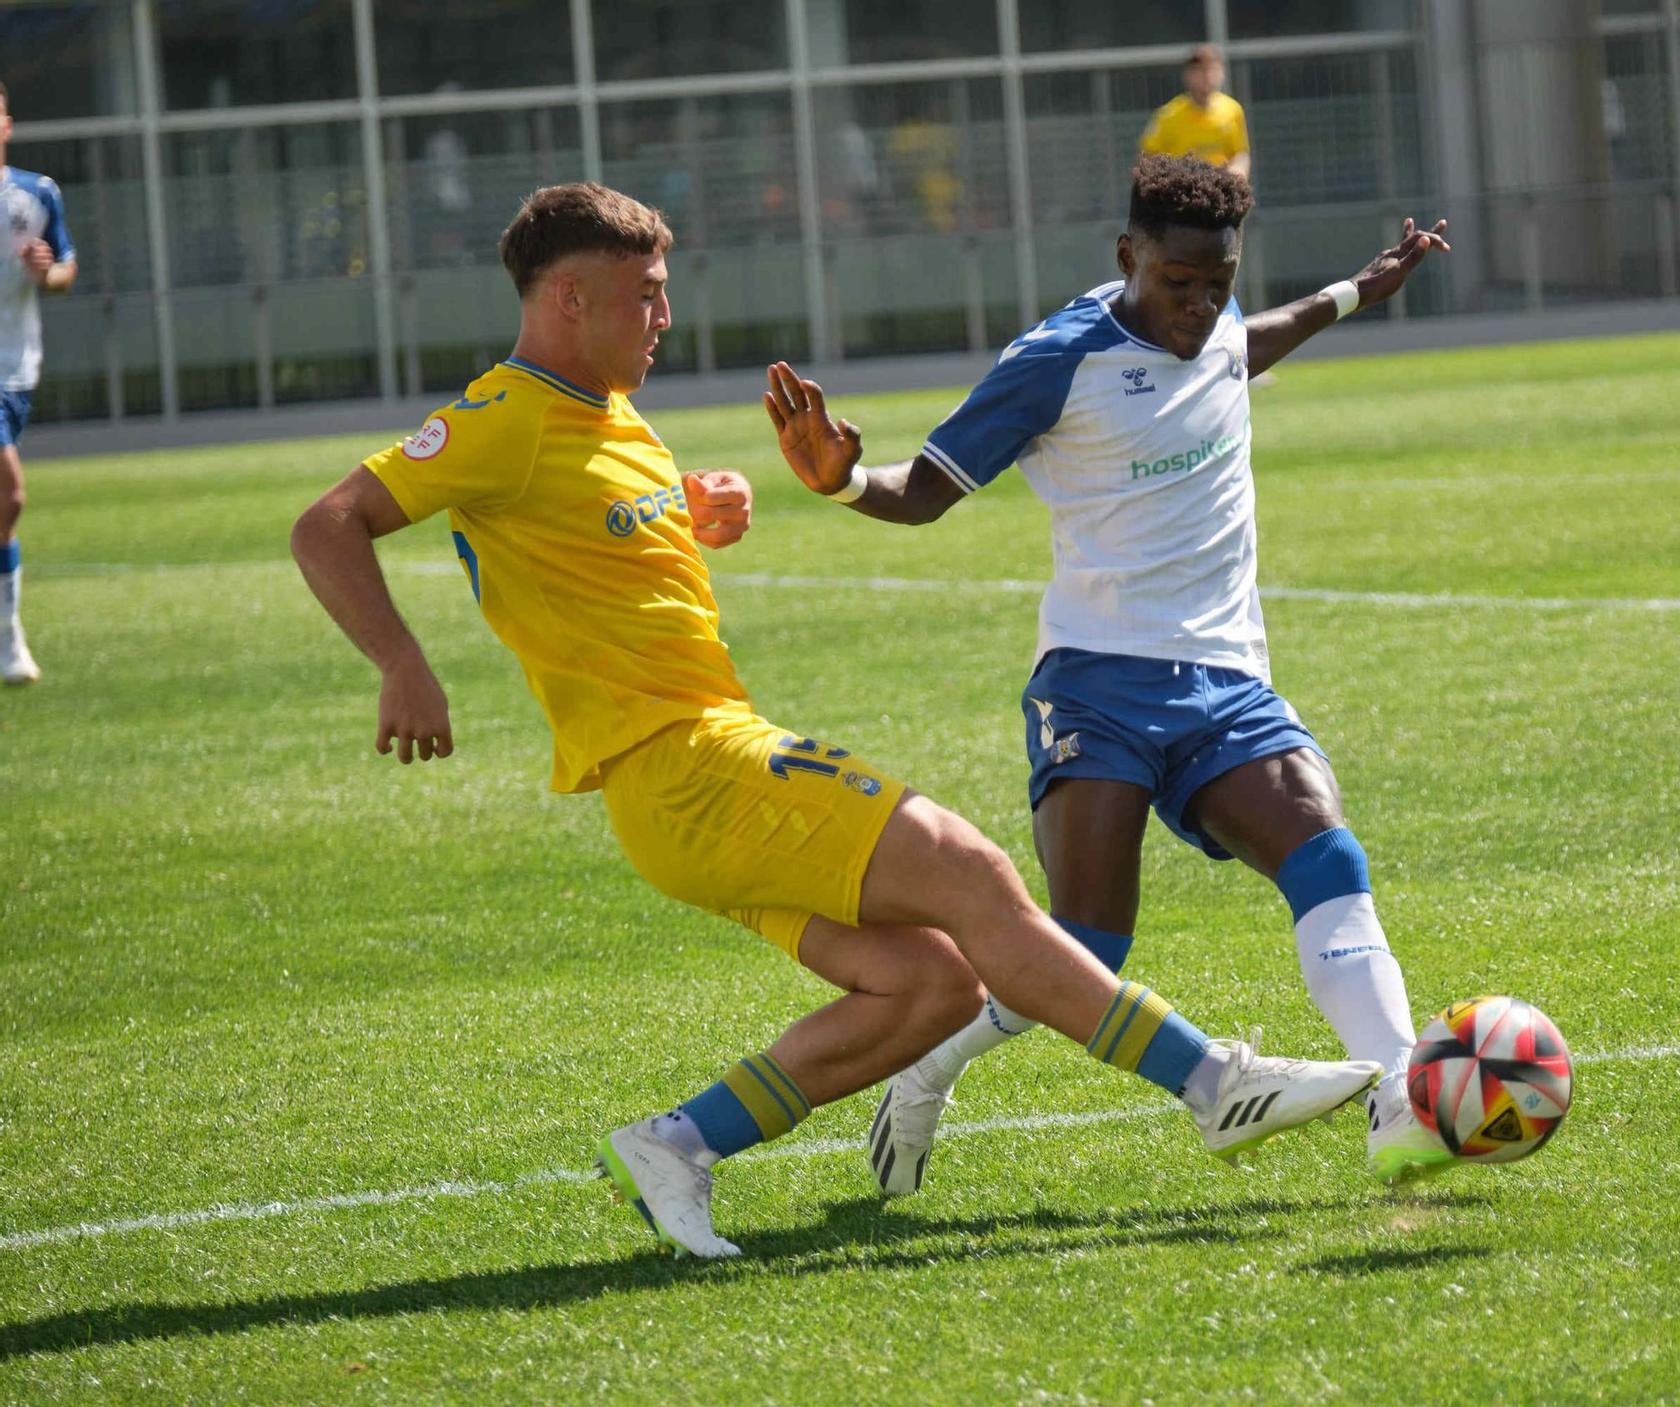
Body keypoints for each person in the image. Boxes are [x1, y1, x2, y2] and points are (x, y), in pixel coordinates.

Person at [289, 181, 1380, 1260]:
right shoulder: (504, 415)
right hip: (684, 761)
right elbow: (330, 522)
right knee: (971, 875)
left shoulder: (604, 413)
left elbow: (590, 539)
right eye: (647, 295)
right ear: (568, 298)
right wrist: (401, 665)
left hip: (674, 792)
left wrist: (694, 506)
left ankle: (676, 1145)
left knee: (930, 983)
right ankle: (1212, 1084)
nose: (665, 317)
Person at [761, 156, 1454, 1192]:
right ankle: (926, 1070)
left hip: (1226, 677)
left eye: (1217, 281)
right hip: (1094, 684)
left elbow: (1249, 342)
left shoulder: (1211, 319)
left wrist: (1357, 290)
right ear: (1126, 256)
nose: (1200, 305)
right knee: (1086, 942)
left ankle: (1399, 1098)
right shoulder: (1057, 360)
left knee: (1323, 852)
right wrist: (843, 480)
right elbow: (924, 493)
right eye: (1177, 282)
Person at [0, 80, 79, 686]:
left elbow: (67, 269)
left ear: (7, 123)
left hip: (17, 369)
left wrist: (47, 271)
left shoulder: (35, 194)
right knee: (11, 495)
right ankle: (10, 642)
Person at [1139, 44, 1250, 179]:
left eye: (1212, 69)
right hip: (1183, 192)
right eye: (1200, 70)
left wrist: (1237, 176)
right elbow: (1148, 158)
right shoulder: (1168, 115)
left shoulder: (1233, 110)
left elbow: (1240, 154)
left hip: (1220, 191)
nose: (1207, 76)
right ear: (1187, 75)